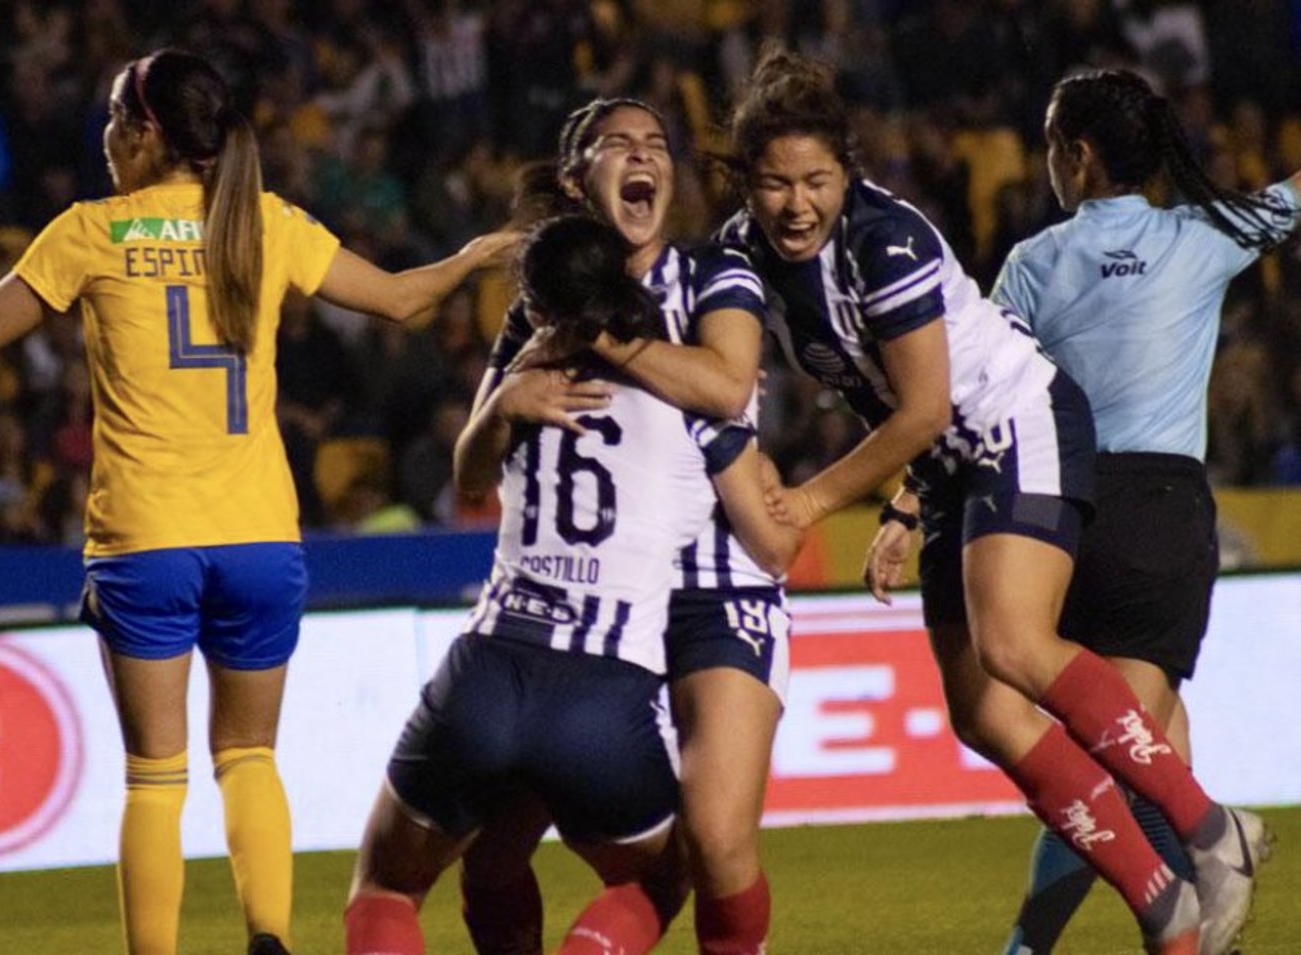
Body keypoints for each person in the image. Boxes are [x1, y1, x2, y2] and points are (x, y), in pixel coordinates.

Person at [0, 47, 514, 955]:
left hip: (146, 538)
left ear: (147, 134)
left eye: (114, 118)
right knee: (249, 756)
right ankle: (269, 936)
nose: (105, 136)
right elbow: (405, 299)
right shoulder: (262, 222)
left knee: (154, 775)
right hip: (260, 538)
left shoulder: (92, 233)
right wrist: (478, 253)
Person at [716, 50, 1262, 955]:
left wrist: (808, 502)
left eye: (816, 181)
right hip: (946, 472)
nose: (797, 204)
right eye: (775, 183)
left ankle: (1209, 826)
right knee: (985, 714)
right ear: (745, 182)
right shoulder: (739, 253)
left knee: (1014, 643)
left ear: (846, 172)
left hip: (1019, 421)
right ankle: (1163, 903)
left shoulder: (884, 240)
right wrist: (900, 508)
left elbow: (925, 408)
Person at [344, 213, 800, 955]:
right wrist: (772, 481)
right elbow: (774, 547)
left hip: (486, 670)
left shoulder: (523, 381)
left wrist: (502, 404)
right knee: (666, 875)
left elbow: (469, 482)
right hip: (600, 693)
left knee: (388, 887)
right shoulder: (694, 396)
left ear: (537, 303)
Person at [456, 97, 791, 955]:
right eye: (620, 145)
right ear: (578, 181)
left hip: (712, 584)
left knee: (714, 840)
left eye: (657, 146)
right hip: (587, 599)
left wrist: (600, 336)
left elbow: (726, 385)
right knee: (489, 856)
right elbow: (470, 475)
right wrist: (505, 403)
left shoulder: (716, 275)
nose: (645, 157)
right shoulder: (534, 309)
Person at [989, 68, 1297, 955]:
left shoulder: (1032, 264)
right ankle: (1197, 890)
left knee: (1132, 751)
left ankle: (1048, 943)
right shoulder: (1205, 233)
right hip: (1159, 515)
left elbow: (978, 393)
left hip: (1062, 515)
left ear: (1079, 156)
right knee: (1130, 753)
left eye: (1053, 146)